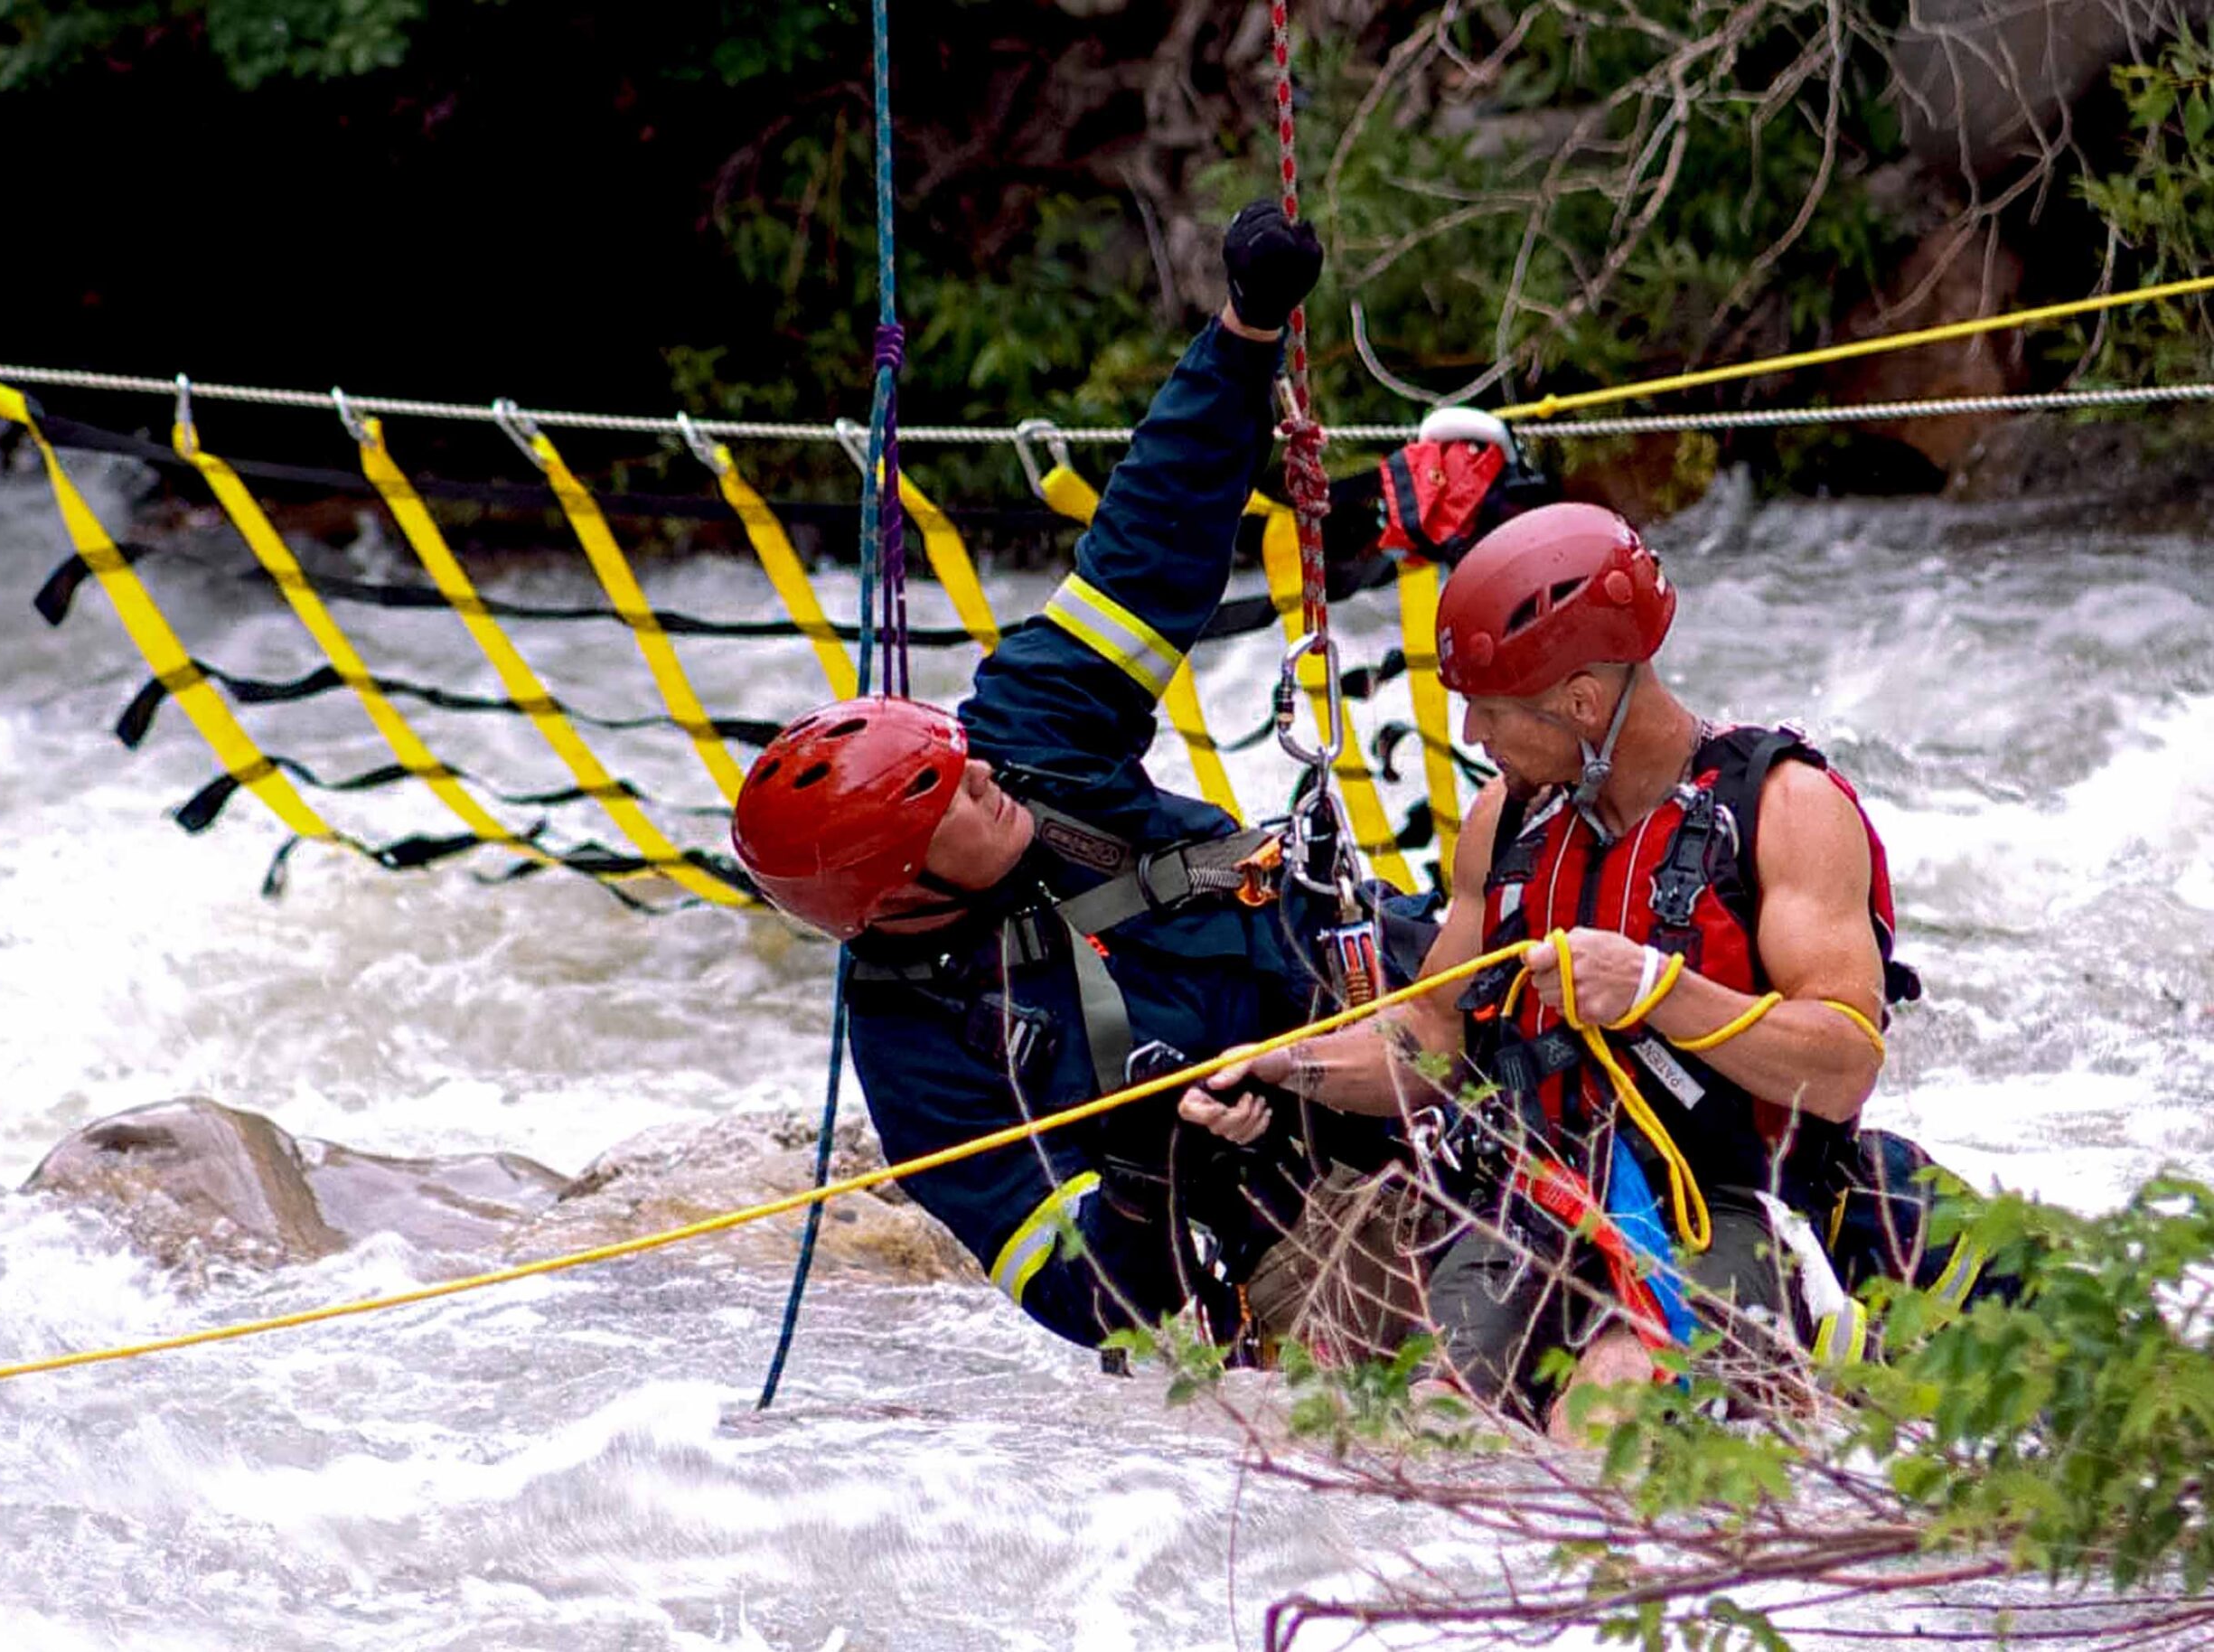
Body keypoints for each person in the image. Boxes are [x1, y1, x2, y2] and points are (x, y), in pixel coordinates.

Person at [731, 203, 1457, 1354]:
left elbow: (1149, 540)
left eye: (959, 764)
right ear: (900, 894)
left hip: (1394, 993)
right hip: (1302, 1212)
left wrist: (1244, 333)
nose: (981, 779)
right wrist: (1140, 1180)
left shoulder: (1022, 737)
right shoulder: (920, 1058)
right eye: (949, 801)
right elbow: (1093, 1306)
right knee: (1476, 1339)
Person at [1184, 502, 1937, 1431]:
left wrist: (1658, 989)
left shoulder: (1786, 810)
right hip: (1532, 1204)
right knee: (1424, 1420)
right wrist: (1284, 1065)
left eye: (1490, 710)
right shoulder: (1505, 820)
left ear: (1581, 702)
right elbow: (1431, 1038)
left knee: (1613, 1402)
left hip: (1733, 1207)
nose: (1468, 731)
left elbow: (1844, 1061)